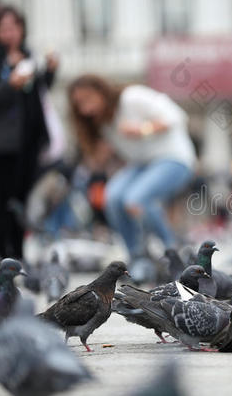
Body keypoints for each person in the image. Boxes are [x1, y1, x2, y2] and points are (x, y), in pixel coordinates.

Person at [68, 74, 196, 260]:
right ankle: (137, 257)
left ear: (101, 92)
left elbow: (177, 116)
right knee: (111, 196)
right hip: (142, 164)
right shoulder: (101, 123)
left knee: (136, 199)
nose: (86, 109)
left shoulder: (131, 97)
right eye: (79, 105)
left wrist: (143, 129)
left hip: (174, 158)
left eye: (88, 100)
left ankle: (172, 251)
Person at [0, 5, 58, 258]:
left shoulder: (28, 56)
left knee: (21, 200)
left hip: (28, 140)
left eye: (14, 27)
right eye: (3, 27)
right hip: (3, 144)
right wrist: (10, 85)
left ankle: (18, 255)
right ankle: (3, 254)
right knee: (4, 201)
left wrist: (51, 71)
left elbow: (39, 90)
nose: (9, 33)